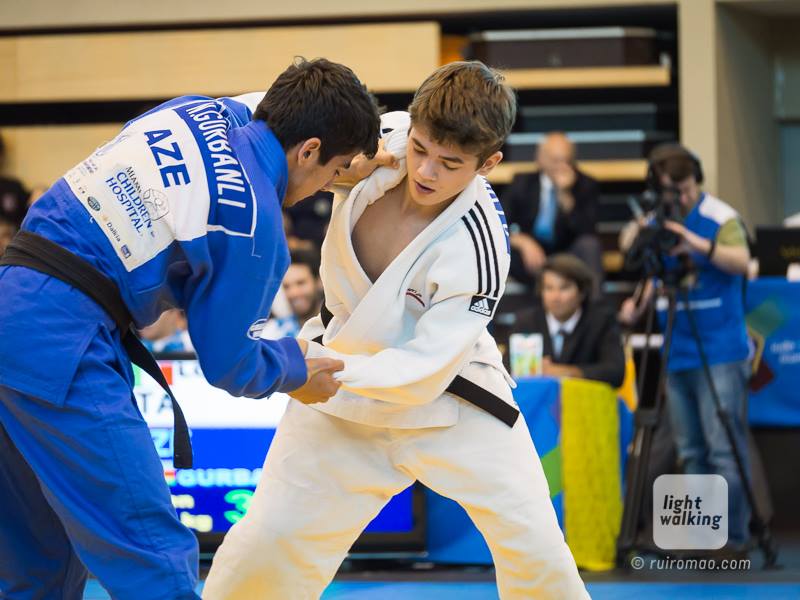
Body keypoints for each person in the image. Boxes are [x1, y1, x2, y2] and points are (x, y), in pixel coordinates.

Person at [204, 61, 590, 600]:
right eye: (423, 148)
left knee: (536, 548)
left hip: (451, 399)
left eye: (450, 163)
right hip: (338, 385)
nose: (427, 170)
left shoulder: (481, 245)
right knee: (268, 542)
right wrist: (350, 168)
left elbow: (423, 367)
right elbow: (278, 121)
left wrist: (320, 368)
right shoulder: (383, 136)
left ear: (489, 163)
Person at [0, 58, 384, 599]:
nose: (329, 186)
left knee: (36, 559)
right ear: (310, 150)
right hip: (62, 341)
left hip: (11, 301)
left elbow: (267, 105)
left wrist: (365, 153)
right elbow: (229, 364)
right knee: (152, 555)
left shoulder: (198, 109)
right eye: (334, 169)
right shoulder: (252, 223)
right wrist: (297, 368)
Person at [618, 143, 752, 553]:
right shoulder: (660, 219)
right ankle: (702, 536)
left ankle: (734, 536)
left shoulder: (720, 216)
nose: (682, 197)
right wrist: (646, 230)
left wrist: (696, 244)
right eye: (673, 190)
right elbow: (630, 250)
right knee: (692, 452)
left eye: (687, 188)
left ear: (697, 181)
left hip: (721, 349)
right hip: (678, 350)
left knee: (723, 447)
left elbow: (742, 261)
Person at [502, 132, 602, 286]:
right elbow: (499, 223)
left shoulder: (585, 184)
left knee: (590, 246)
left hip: (568, 252)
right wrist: (523, 241)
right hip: (531, 255)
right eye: (556, 160)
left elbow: (587, 231)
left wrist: (566, 196)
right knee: (505, 251)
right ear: (540, 159)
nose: (562, 166)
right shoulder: (522, 183)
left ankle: (595, 307)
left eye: (567, 160)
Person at [513, 254, 625, 387]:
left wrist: (567, 372)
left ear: (582, 292)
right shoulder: (525, 321)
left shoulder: (601, 321)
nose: (555, 297)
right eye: (549, 288)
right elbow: (506, 369)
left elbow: (616, 372)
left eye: (564, 288)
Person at [260, 248, 323, 339]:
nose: (294, 293)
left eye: (301, 283)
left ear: (319, 281)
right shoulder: (273, 331)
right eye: (287, 287)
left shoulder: (339, 326)